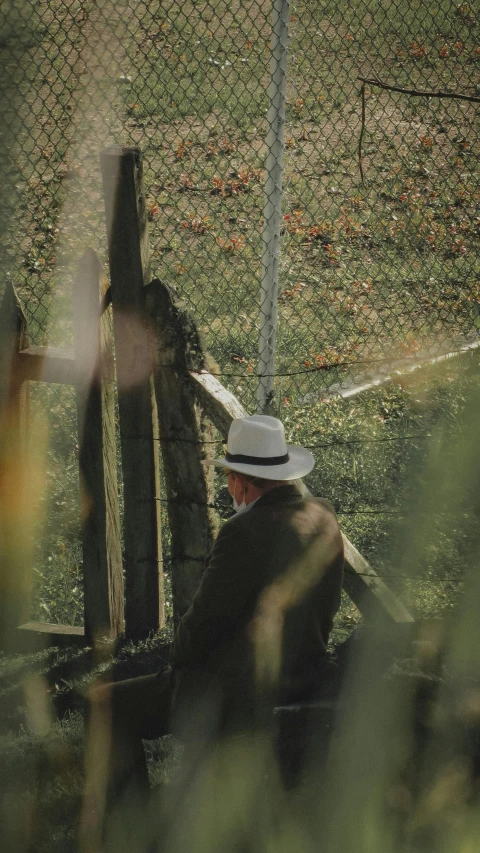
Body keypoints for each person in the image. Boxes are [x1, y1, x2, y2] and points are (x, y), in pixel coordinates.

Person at [83, 415, 344, 838]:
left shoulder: (243, 532)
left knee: (105, 706)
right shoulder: (323, 515)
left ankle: (129, 829)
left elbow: (203, 624)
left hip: (239, 689)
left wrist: (179, 663)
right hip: (306, 672)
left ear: (241, 481)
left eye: (229, 479)